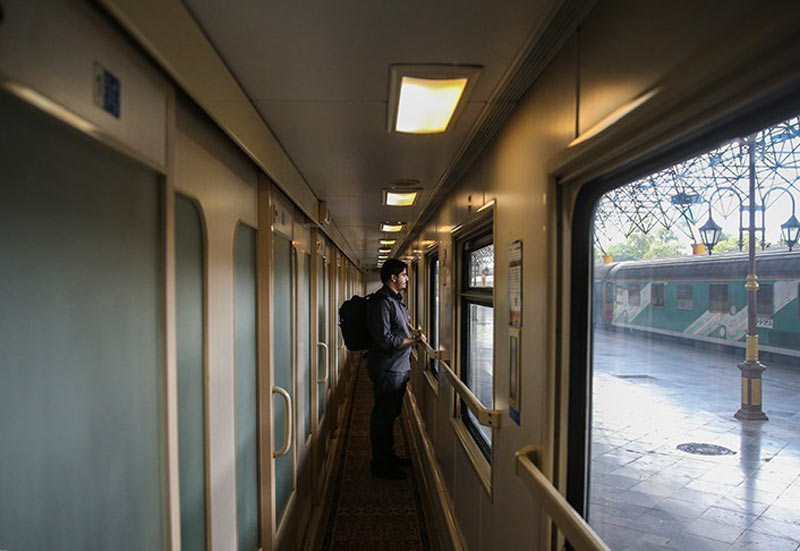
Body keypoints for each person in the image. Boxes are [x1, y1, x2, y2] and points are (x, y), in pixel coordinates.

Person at [366, 258, 425, 479]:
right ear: (393, 278)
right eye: (404, 275)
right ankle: (381, 465)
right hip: (387, 368)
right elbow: (386, 340)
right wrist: (414, 341)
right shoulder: (383, 302)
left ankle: (387, 456)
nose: (407, 279)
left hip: (395, 367)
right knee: (383, 417)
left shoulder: (394, 301)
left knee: (389, 415)